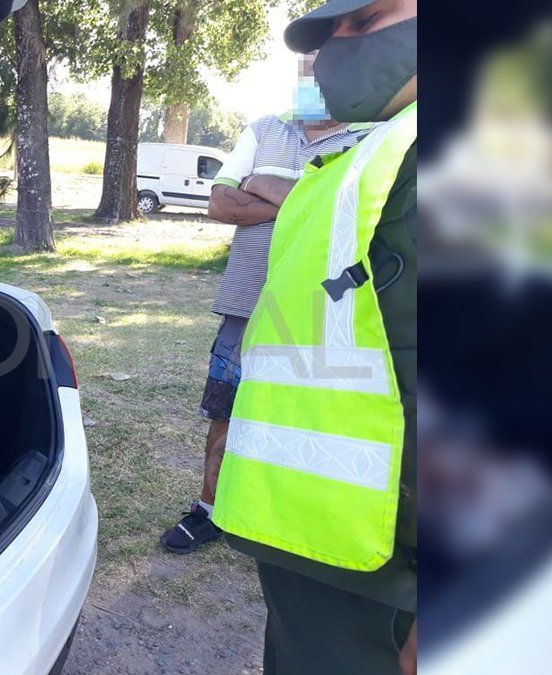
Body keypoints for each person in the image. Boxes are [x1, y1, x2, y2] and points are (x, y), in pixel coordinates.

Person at [210, 0, 417, 673]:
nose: (335, 51)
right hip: (318, 530)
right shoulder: (378, 146)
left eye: (364, 21)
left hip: (372, 542)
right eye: (330, 34)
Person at [159, 54, 371, 554]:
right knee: (226, 407)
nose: (315, 79)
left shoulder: (368, 138)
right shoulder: (264, 130)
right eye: (308, 70)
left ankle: (285, 517)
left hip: (323, 303)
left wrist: (261, 185)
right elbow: (218, 204)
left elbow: (353, 214)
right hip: (246, 301)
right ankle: (209, 510)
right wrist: (305, 198)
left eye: (327, 69)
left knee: (306, 412)